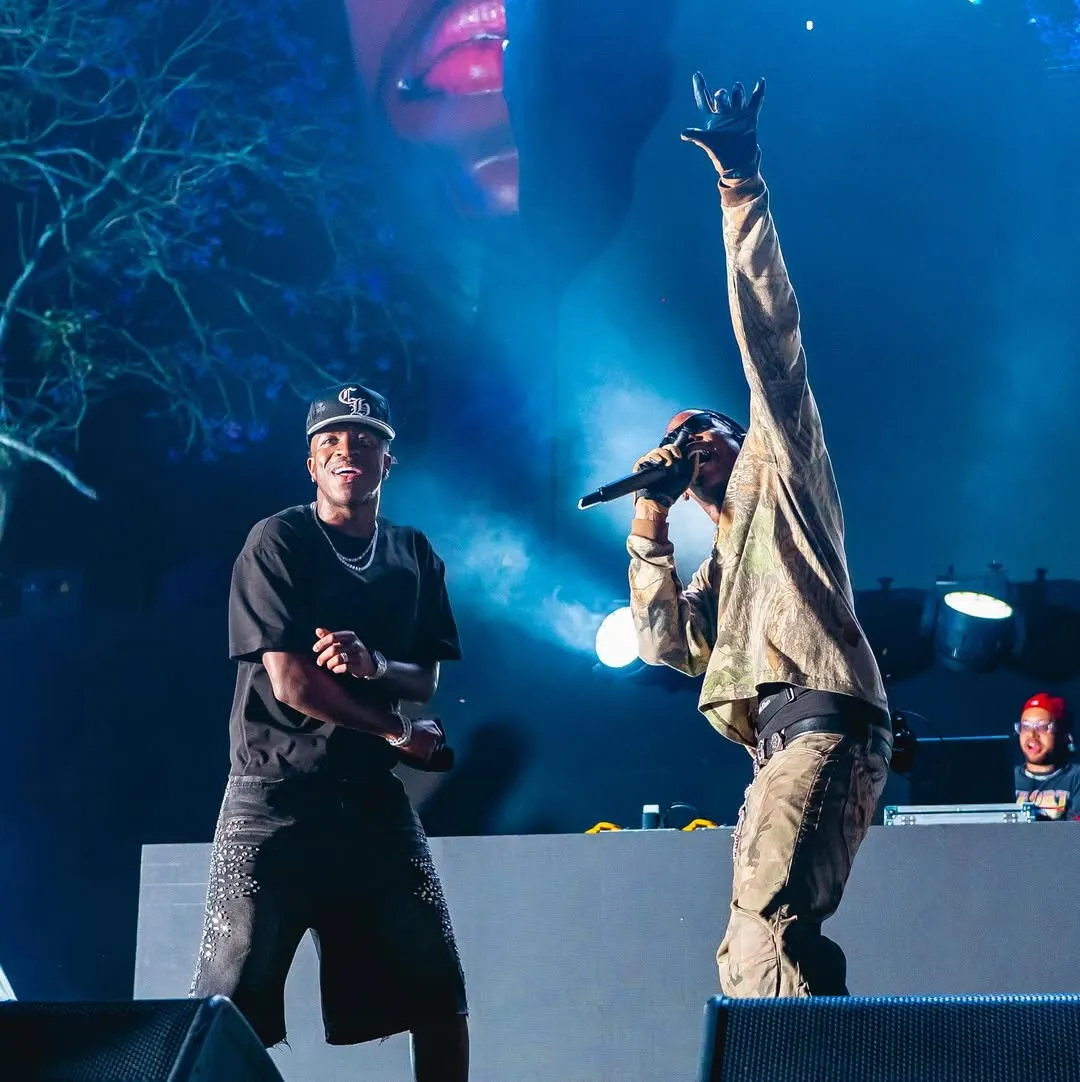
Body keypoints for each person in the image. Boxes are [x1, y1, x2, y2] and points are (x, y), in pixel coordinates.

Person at [626, 74, 892, 998]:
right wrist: (650, 516)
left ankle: (800, 1062)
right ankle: (824, 1056)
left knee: (767, 936)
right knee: (748, 953)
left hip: (822, 720)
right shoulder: (721, 569)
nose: (689, 444)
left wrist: (738, 186)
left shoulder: (784, 472)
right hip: (772, 751)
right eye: (676, 439)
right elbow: (664, 646)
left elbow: (771, 337)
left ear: (741, 439)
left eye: (703, 430)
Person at [190, 384, 469, 1081]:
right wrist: (396, 731)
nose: (349, 452)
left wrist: (375, 664)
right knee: (229, 1002)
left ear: (387, 462)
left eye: (365, 441)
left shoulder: (413, 552)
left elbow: (424, 678)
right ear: (311, 464)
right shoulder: (278, 540)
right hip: (273, 798)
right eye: (332, 442)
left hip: (369, 800)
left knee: (437, 991)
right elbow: (293, 684)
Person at [1015, 692, 1080, 821]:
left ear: (1065, 735)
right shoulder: (1008, 778)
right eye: (1025, 726)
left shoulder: (1076, 778)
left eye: (1042, 727)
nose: (1032, 735)